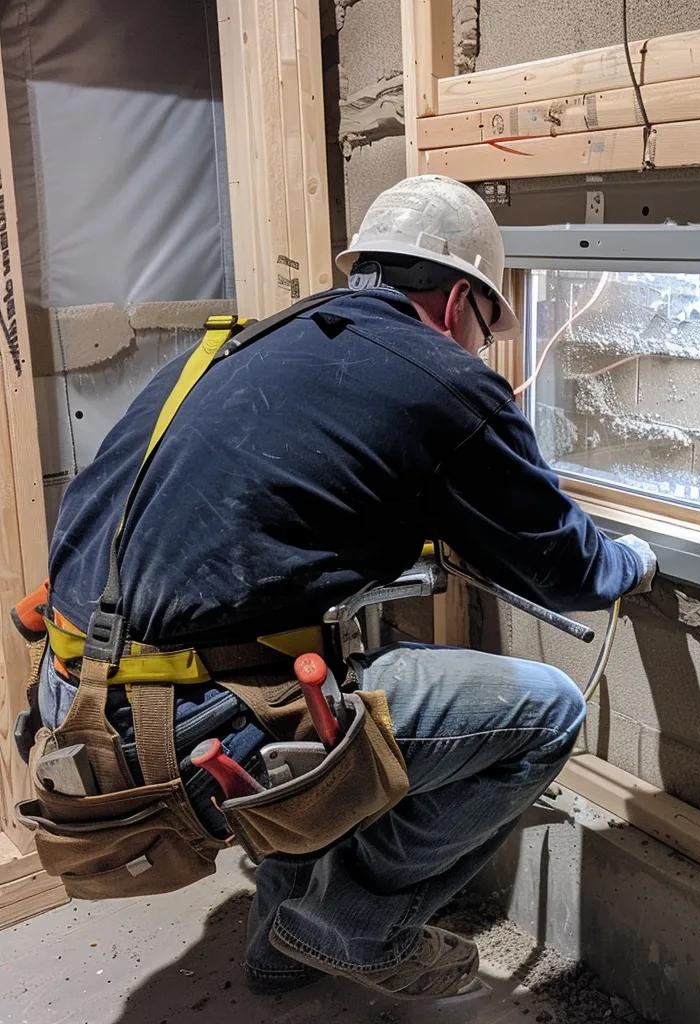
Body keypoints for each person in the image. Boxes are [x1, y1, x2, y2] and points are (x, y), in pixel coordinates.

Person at [40, 174, 657, 999]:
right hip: (177, 730)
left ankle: (283, 950)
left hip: (70, 700)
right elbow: (565, 568)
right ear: (456, 303)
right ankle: (355, 925)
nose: (481, 353)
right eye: (484, 330)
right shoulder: (439, 375)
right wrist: (632, 563)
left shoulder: (243, 344)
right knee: (546, 712)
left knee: (321, 670)